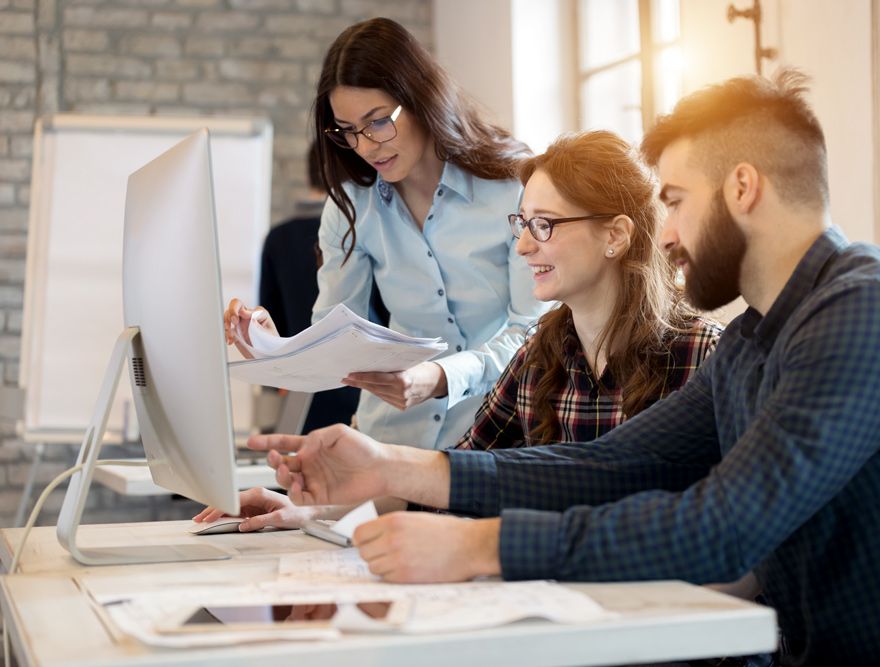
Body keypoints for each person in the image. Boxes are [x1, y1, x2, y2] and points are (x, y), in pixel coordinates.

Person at [250, 70, 880, 665]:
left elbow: (725, 527)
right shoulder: (757, 336)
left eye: (674, 200)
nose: (664, 232)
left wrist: (481, 546)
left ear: (743, 187)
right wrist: (395, 468)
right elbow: (616, 462)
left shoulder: (870, 310)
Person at [195, 130, 722, 530]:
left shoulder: (700, 354)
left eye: (545, 225)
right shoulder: (541, 354)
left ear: (616, 235)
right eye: (522, 224)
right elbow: (456, 479)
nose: (521, 247)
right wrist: (312, 513)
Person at [225, 17, 548, 451]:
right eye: (348, 130)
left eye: (377, 121)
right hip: (393, 441)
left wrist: (441, 376)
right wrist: (272, 346)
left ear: (420, 98)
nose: (366, 145)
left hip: (497, 436)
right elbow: (337, 337)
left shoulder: (513, 185)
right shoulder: (351, 205)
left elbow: (533, 329)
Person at [258, 140, 389, 433]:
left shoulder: (279, 239)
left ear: (308, 176)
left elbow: (271, 323)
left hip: (303, 395)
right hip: (367, 388)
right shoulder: (364, 230)